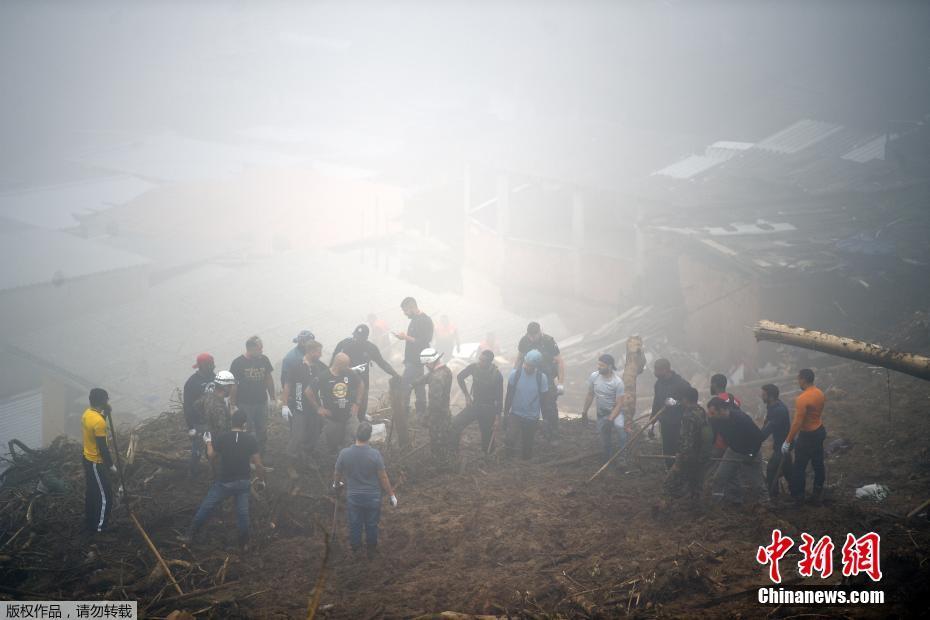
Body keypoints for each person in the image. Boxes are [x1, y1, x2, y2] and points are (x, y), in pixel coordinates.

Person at [180, 410, 265, 549]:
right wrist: (261, 480)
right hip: (243, 483)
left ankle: (189, 535)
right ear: (244, 424)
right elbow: (259, 464)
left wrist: (208, 442)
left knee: (206, 506)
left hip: (224, 483)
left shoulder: (222, 437)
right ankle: (244, 544)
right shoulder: (251, 439)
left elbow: (212, 456)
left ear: (232, 422)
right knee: (243, 514)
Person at [333, 422, 398, 559]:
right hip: (373, 497)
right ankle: (371, 551)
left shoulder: (344, 453)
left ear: (356, 434)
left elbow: (337, 473)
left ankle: (356, 551)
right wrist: (391, 495)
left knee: (355, 524)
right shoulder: (375, 454)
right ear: (369, 437)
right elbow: (383, 477)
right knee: (371, 524)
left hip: (354, 497)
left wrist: (336, 484)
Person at [332, 324, 401, 421]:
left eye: (360, 337)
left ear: (366, 337)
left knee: (361, 411)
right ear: (353, 334)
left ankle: (360, 430)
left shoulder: (370, 348)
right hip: (344, 382)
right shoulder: (344, 344)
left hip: (363, 383)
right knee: (343, 410)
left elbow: (382, 363)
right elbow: (333, 362)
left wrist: (395, 374)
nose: (356, 339)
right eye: (355, 336)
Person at [707, 397, 767, 505]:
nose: (710, 416)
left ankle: (765, 503)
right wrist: (710, 449)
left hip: (749, 451)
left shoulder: (741, 418)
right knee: (720, 477)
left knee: (756, 482)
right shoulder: (715, 420)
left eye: (712, 412)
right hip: (733, 451)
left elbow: (759, 437)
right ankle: (723, 502)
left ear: (721, 410)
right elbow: (714, 435)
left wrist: (751, 454)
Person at [515, 322, 564, 445]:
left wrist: (561, 383)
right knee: (526, 405)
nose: (532, 338)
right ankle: (527, 434)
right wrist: (515, 374)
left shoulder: (548, 341)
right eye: (529, 336)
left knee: (549, 407)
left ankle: (553, 435)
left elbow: (560, 361)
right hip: (529, 377)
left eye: (534, 335)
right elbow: (519, 357)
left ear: (539, 332)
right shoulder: (524, 341)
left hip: (547, 377)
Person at [783, 368, 827, 504]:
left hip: (807, 435)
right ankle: (817, 492)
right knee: (818, 464)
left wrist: (788, 441)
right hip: (819, 431)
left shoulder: (802, 398)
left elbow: (797, 422)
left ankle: (798, 496)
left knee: (799, 467)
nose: (798, 381)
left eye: (798, 379)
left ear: (803, 379)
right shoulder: (820, 393)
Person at [283, 340, 327, 470]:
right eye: (319, 352)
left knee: (314, 434)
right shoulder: (296, 366)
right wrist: (284, 405)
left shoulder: (319, 366)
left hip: (315, 408)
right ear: (311, 351)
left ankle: (307, 455)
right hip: (299, 407)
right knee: (297, 436)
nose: (321, 355)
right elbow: (287, 385)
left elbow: (331, 374)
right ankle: (291, 463)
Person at [664, 386, 711, 503]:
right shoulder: (701, 411)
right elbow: (706, 433)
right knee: (695, 484)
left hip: (688, 455)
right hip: (700, 454)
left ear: (685, 399)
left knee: (670, 482)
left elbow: (687, 438)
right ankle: (695, 508)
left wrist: (680, 456)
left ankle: (665, 507)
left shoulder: (688, 415)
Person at [452, 349, 504, 454]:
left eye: (483, 361)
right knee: (455, 423)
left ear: (489, 362)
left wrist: (497, 417)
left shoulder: (496, 375)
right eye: (479, 359)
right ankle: (453, 451)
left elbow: (499, 398)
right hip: (475, 404)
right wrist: (466, 395)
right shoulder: (474, 367)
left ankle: (487, 459)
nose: (480, 362)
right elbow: (460, 377)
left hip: (488, 408)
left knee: (487, 436)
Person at [580, 354, 629, 464]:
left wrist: (611, 418)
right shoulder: (594, 376)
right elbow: (590, 394)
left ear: (610, 366)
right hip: (601, 413)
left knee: (621, 434)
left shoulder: (618, 382)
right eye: (598, 364)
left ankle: (622, 458)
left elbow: (619, 404)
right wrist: (584, 412)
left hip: (616, 413)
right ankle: (608, 459)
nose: (598, 367)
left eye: (602, 365)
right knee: (604, 438)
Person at [229, 336, 275, 453]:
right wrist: (232, 405)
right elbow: (233, 385)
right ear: (251, 348)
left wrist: (273, 398)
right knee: (247, 429)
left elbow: (268, 378)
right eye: (259, 349)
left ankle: (261, 452)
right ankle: (247, 455)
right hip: (245, 403)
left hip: (261, 401)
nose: (262, 351)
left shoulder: (264, 359)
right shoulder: (237, 363)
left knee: (262, 429)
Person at [504, 350, 549, 460]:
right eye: (526, 364)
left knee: (527, 444)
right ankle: (508, 462)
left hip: (532, 416)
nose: (527, 367)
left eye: (531, 366)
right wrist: (505, 414)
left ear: (536, 366)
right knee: (510, 439)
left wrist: (545, 418)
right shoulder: (515, 375)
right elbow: (509, 395)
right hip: (515, 414)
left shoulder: (541, 378)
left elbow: (544, 400)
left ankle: (525, 464)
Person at [393, 297, 434, 420]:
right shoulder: (414, 320)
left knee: (405, 385)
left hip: (417, 361)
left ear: (411, 307)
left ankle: (403, 413)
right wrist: (404, 337)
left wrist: (405, 337)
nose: (405, 314)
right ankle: (421, 412)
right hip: (412, 360)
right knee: (419, 386)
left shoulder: (425, 320)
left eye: (405, 311)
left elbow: (424, 342)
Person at [316, 353, 364, 456]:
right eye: (346, 365)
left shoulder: (349, 373)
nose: (348, 367)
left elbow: (361, 384)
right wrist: (318, 408)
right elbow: (309, 391)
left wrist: (357, 403)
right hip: (332, 417)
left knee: (356, 436)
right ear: (338, 364)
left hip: (349, 414)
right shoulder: (324, 376)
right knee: (333, 444)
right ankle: (336, 462)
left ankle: (353, 457)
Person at [411, 347, 454, 463]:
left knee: (437, 441)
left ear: (430, 362)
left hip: (438, 416)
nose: (425, 367)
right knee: (445, 438)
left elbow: (435, 403)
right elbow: (426, 378)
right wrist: (412, 384)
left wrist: (426, 416)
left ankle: (440, 465)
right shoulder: (445, 370)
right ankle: (446, 460)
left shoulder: (436, 378)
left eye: (426, 364)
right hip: (445, 412)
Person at [82, 388, 116, 534]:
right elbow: (102, 447)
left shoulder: (87, 414)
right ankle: (100, 528)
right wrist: (111, 465)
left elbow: (98, 422)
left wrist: (105, 414)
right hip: (96, 462)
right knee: (106, 496)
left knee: (92, 492)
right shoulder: (99, 422)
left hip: (86, 458)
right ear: (103, 401)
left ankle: (89, 522)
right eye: (106, 399)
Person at [649, 358, 692, 469]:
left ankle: (680, 470)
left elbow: (692, 399)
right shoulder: (658, 384)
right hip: (665, 421)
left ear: (666, 370)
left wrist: (676, 402)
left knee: (679, 447)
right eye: (655, 369)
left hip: (679, 422)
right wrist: (653, 417)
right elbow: (657, 401)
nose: (655, 373)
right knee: (667, 448)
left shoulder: (681, 384)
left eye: (658, 370)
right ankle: (669, 470)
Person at [184, 353, 215, 477]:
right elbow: (187, 406)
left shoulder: (215, 377)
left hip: (214, 421)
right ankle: (192, 474)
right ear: (203, 366)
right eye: (211, 364)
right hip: (200, 423)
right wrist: (191, 427)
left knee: (214, 448)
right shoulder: (192, 382)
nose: (213, 367)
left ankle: (215, 473)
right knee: (197, 450)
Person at [760, 383, 793, 498]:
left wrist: (758, 438)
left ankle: (773, 497)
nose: (761, 396)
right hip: (781, 445)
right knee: (788, 471)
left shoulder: (779, 410)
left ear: (771, 396)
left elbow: (769, 428)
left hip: (783, 446)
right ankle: (797, 494)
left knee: (771, 469)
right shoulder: (772, 406)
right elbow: (766, 425)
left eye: (763, 394)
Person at [198, 371, 236, 435]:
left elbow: (197, 407)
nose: (232, 389)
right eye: (231, 386)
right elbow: (222, 429)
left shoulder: (207, 397)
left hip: (209, 437)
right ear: (225, 387)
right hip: (218, 441)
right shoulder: (218, 407)